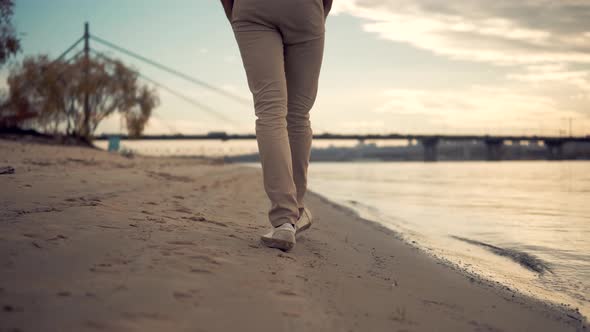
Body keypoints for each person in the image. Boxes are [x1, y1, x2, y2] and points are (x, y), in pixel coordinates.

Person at [221, 0, 332, 251]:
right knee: (298, 115)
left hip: (253, 9)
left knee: (270, 112)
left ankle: (284, 220)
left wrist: (236, 12)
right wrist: (317, 13)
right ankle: (295, 214)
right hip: (305, 10)